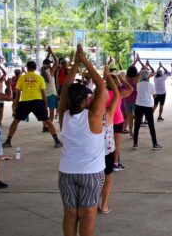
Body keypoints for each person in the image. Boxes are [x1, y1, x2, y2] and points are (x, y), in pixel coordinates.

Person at [56, 45, 107, 236]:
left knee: (70, 213)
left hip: (67, 172)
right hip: (91, 173)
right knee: (88, 214)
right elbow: (101, 85)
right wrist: (85, 61)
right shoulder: (93, 116)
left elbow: (64, 91)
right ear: (86, 99)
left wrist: (75, 65)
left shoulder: (64, 115)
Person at [4, 60, 62, 148]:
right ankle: (57, 141)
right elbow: (43, 93)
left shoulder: (22, 78)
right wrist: (45, 105)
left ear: (27, 68)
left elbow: (18, 92)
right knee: (48, 121)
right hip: (37, 102)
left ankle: (8, 141)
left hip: (24, 102)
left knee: (15, 121)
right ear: (35, 68)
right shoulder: (40, 78)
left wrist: (16, 104)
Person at [99, 63, 121, 214]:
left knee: (94, 179)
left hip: (92, 151)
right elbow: (118, 94)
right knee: (107, 178)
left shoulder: (87, 114)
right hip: (107, 151)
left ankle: (92, 205)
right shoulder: (109, 113)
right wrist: (107, 76)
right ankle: (104, 205)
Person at [133, 61, 159, 150]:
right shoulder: (151, 85)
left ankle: (135, 144)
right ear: (148, 77)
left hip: (138, 105)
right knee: (151, 125)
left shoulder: (138, 84)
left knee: (136, 125)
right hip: (148, 106)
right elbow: (154, 95)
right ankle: (155, 144)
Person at [123, 55, 144, 134]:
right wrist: (139, 61)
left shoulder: (126, 77)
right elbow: (144, 68)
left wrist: (135, 61)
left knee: (130, 117)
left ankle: (130, 131)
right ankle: (135, 132)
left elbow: (130, 68)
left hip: (127, 100)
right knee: (137, 117)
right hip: (136, 101)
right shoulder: (137, 78)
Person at [42, 47, 60, 132]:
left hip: (44, 94)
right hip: (52, 94)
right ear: (49, 64)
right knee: (51, 111)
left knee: (45, 111)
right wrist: (52, 52)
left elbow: (46, 61)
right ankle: (49, 125)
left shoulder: (41, 70)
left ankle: (44, 126)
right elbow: (57, 61)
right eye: (50, 63)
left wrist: (48, 54)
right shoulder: (51, 70)